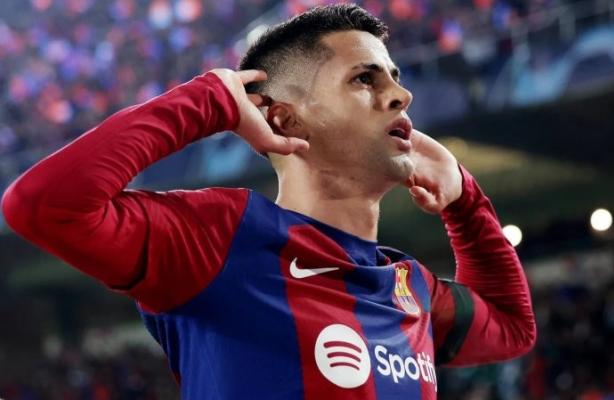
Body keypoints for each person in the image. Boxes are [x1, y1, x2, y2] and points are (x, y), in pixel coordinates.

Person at [1, 4, 536, 399]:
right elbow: (42, 205)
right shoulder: (220, 238)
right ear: (285, 119)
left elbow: (513, 327)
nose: (401, 94)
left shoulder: (409, 286)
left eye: (394, 78)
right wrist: (208, 100)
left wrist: (465, 200)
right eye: (364, 79)